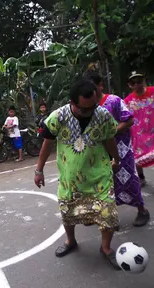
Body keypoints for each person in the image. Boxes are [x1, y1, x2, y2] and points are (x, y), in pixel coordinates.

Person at [34, 79, 121, 270]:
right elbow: (47, 145)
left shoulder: (103, 115)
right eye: (85, 109)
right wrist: (38, 170)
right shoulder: (58, 117)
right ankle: (70, 241)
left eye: (93, 107)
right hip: (70, 178)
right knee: (67, 211)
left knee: (107, 210)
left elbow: (109, 139)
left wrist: (116, 158)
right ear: (73, 103)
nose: (90, 113)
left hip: (100, 174)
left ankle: (106, 248)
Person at [86, 71, 150, 227]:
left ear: (100, 85)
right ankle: (109, 216)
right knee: (103, 184)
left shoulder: (114, 101)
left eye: (93, 87)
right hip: (100, 151)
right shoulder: (87, 106)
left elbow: (128, 120)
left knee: (128, 179)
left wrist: (111, 132)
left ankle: (142, 211)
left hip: (121, 149)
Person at [124, 71, 154, 185]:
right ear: (130, 85)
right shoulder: (127, 102)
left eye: (139, 81)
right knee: (137, 157)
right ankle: (141, 177)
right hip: (140, 137)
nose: (136, 84)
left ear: (143, 81)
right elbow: (124, 119)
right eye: (133, 83)